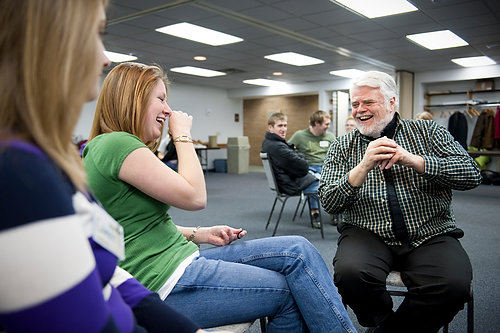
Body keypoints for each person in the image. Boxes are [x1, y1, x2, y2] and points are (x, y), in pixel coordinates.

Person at [83, 62, 356, 333]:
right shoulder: (116, 143)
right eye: (161, 99)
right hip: (165, 280)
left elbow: (134, 225)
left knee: (299, 249)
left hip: (181, 260)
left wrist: (199, 234)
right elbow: (195, 196)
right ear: (134, 98)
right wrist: (182, 135)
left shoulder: (108, 147)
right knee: (289, 291)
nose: (168, 110)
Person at [0, 1, 207, 332]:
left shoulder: (52, 159)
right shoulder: (19, 177)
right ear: (48, 42)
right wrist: (183, 137)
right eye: (95, 34)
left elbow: (111, 276)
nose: (105, 58)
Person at [319, 71, 481, 332]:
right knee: (350, 275)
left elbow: (471, 174)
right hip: (367, 231)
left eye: (368, 102)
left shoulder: (427, 131)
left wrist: (415, 161)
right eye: (355, 104)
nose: (360, 110)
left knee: (453, 284)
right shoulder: (341, 146)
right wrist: (362, 167)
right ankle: (381, 321)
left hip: (430, 231)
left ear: (392, 102)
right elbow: (329, 201)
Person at [289, 110, 335, 226]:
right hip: (309, 168)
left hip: (327, 168)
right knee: (313, 181)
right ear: (317, 124)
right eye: (326, 124)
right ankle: (315, 213)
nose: (328, 127)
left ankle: (334, 211)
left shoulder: (330, 137)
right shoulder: (300, 135)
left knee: (338, 181)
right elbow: (286, 150)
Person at [261, 112, 317, 197]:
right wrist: (299, 154)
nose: (284, 129)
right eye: (280, 126)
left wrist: (296, 154)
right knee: (329, 185)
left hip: (286, 183)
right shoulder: (278, 147)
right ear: (270, 128)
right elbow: (303, 167)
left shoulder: (268, 142)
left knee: (320, 175)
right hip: (292, 186)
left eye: (285, 125)